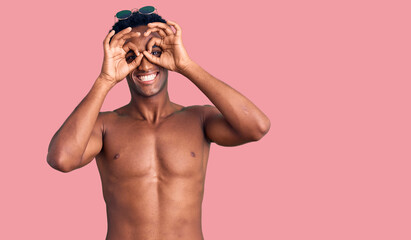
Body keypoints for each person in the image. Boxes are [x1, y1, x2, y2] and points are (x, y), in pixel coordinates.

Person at [47, 7, 270, 240]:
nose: (145, 65)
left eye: (155, 51)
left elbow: (257, 126)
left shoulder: (199, 119)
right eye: (132, 57)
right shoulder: (105, 126)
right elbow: (62, 158)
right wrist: (105, 80)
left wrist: (186, 65)